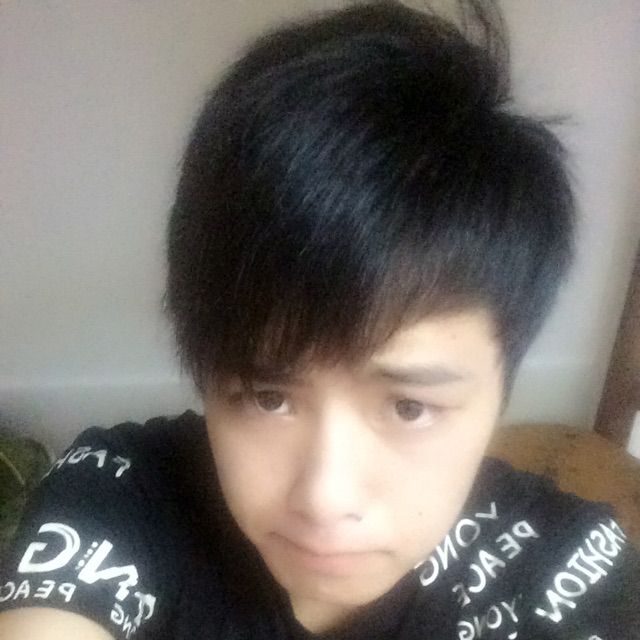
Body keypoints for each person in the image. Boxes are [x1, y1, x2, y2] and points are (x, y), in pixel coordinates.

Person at [1, 1, 638, 638]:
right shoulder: (123, 493)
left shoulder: (566, 571)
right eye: (268, 397)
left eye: (409, 407)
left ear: (500, 387)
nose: (325, 497)